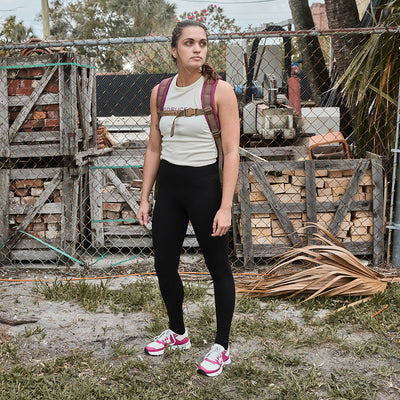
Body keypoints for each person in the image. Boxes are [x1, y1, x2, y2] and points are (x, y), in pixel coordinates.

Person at [137, 19, 240, 378]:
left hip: (206, 188)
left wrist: (225, 206)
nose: (198, 49)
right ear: (174, 49)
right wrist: (145, 195)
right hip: (170, 188)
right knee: (164, 265)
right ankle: (178, 332)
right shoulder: (160, 93)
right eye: (189, 43)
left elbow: (231, 152)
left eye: (203, 43)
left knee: (218, 269)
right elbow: (153, 146)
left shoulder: (220, 91)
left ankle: (221, 347)